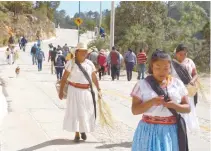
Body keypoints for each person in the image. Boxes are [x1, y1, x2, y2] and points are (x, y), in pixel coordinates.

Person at [131, 49, 190, 151]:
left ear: (170, 68)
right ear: (151, 67)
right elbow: (135, 110)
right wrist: (151, 102)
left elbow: (187, 108)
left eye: (166, 68)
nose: (162, 72)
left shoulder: (177, 84)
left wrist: (175, 106)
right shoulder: (142, 85)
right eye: (158, 67)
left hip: (170, 132)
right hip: (148, 132)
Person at [59, 42, 102, 142]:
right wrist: (61, 91)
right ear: (77, 52)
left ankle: (83, 130)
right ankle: (77, 133)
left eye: (85, 51)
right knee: (76, 112)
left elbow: (94, 77)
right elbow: (64, 78)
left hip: (86, 91)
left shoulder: (89, 64)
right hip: (74, 91)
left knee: (86, 112)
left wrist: (99, 89)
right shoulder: (71, 63)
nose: (84, 53)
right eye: (82, 51)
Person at [171, 44, 200, 131]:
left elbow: (195, 74)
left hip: (188, 90)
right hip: (176, 91)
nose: (183, 56)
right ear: (176, 53)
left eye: (185, 54)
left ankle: (185, 129)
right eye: (180, 54)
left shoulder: (189, 62)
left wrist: (192, 81)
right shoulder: (171, 63)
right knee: (178, 111)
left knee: (187, 110)